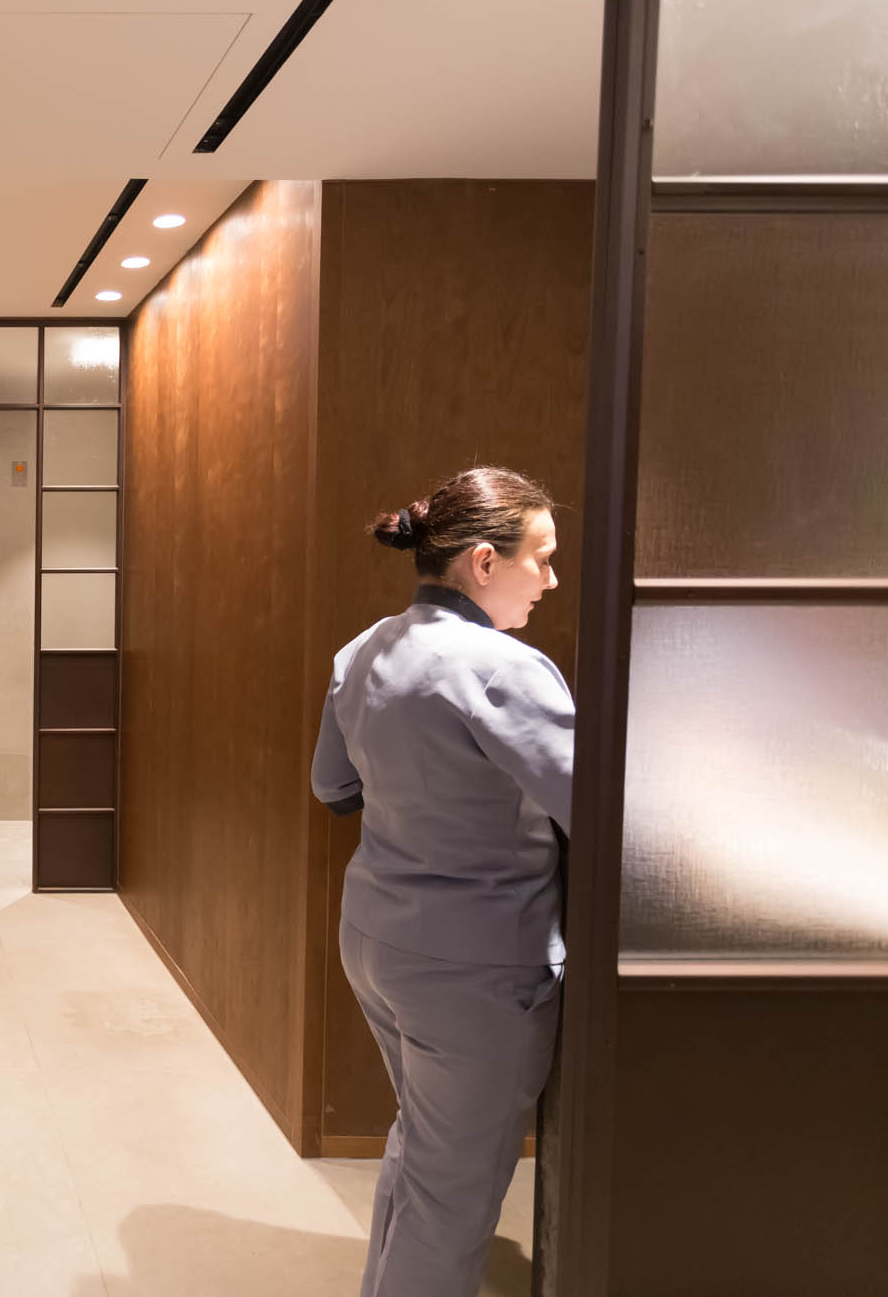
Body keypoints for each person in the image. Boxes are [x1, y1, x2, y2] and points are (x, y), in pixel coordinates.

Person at [311, 466, 574, 1297]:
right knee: (453, 1201)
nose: (553, 579)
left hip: (379, 945)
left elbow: (331, 787)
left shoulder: (363, 650)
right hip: (476, 969)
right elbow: (603, 815)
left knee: (424, 1148)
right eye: (542, 557)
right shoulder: (505, 669)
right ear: (485, 563)